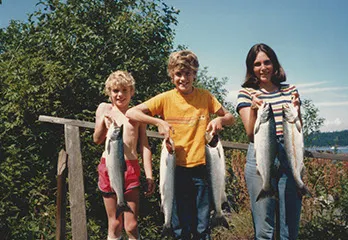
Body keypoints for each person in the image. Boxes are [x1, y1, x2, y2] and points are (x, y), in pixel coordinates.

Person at [126, 50, 235, 240]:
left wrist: (220, 121)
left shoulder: (206, 97)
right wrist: (158, 122)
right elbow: (132, 113)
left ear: (195, 74)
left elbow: (230, 117)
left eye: (187, 73)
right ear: (171, 76)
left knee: (202, 226)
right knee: (179, 227)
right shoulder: (165, 98)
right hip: (174, 172)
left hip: (203, 170)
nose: (183, 78)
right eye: (178, 74)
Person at [236, 43, 302, 239]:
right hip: (260, 153)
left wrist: (298, 109)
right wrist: (255, 109)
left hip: (289, 152)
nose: (263, 68)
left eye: (267, 62)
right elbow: (250, 133)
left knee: (289, 228)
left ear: (274, 64)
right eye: (257, 64)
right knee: (264, 229)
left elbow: (298, 128)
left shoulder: (290, 90)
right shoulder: (246, 93)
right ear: (251, 68)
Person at [93, 70, 155, 240]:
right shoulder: (104, 108)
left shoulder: (137, 114)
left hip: (131, 169)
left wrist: (149, 175)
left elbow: (144, 147)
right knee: (114, 224)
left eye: (124, 91)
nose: (120, 95)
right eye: (115, 91)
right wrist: (104, 124)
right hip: (109, 167)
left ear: (131, 92)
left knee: (131, 225)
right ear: (109, 92)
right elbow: (97, 139)